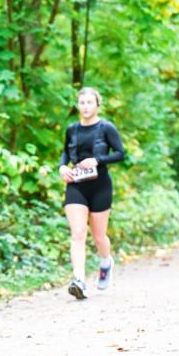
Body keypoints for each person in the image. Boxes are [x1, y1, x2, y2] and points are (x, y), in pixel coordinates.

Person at [57, 87, 126, 300]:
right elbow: (65, 153)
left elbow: (121, 154)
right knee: (77, 233)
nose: (85, 106)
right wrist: (62, 167)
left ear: (97, 105)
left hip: (100, 186)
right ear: (78, 105)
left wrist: (97, 160)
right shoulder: (72, 129)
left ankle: (106, 261)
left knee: (98, 236)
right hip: (76, 185)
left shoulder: (106, 128)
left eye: (89, 102)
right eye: (82, 102)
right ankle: (79, 280)